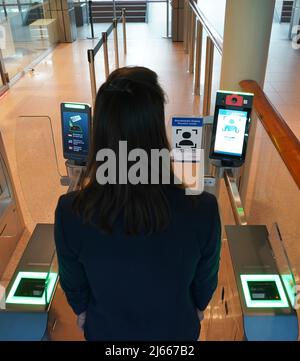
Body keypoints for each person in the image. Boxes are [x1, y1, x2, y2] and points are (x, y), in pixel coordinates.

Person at [54, 66, 221, 341]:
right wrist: (198, 308)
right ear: (157, 129)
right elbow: (205, 284)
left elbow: (74, 284)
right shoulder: (203, 209)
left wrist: (84, 313)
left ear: (101, 131)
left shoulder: (70, 212)